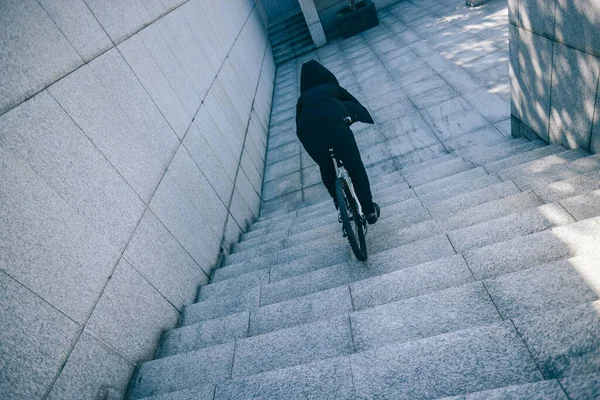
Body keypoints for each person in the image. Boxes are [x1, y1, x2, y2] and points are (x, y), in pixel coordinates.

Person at [295, 59, 380, 224]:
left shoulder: (302, 99)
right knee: (355, 169)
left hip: (309, 134)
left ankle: (342, 207)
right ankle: (369, 211)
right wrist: (350, 118)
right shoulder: (332, 88)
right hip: (335, 127)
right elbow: (354, 104)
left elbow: (298, 123)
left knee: (325, 166)